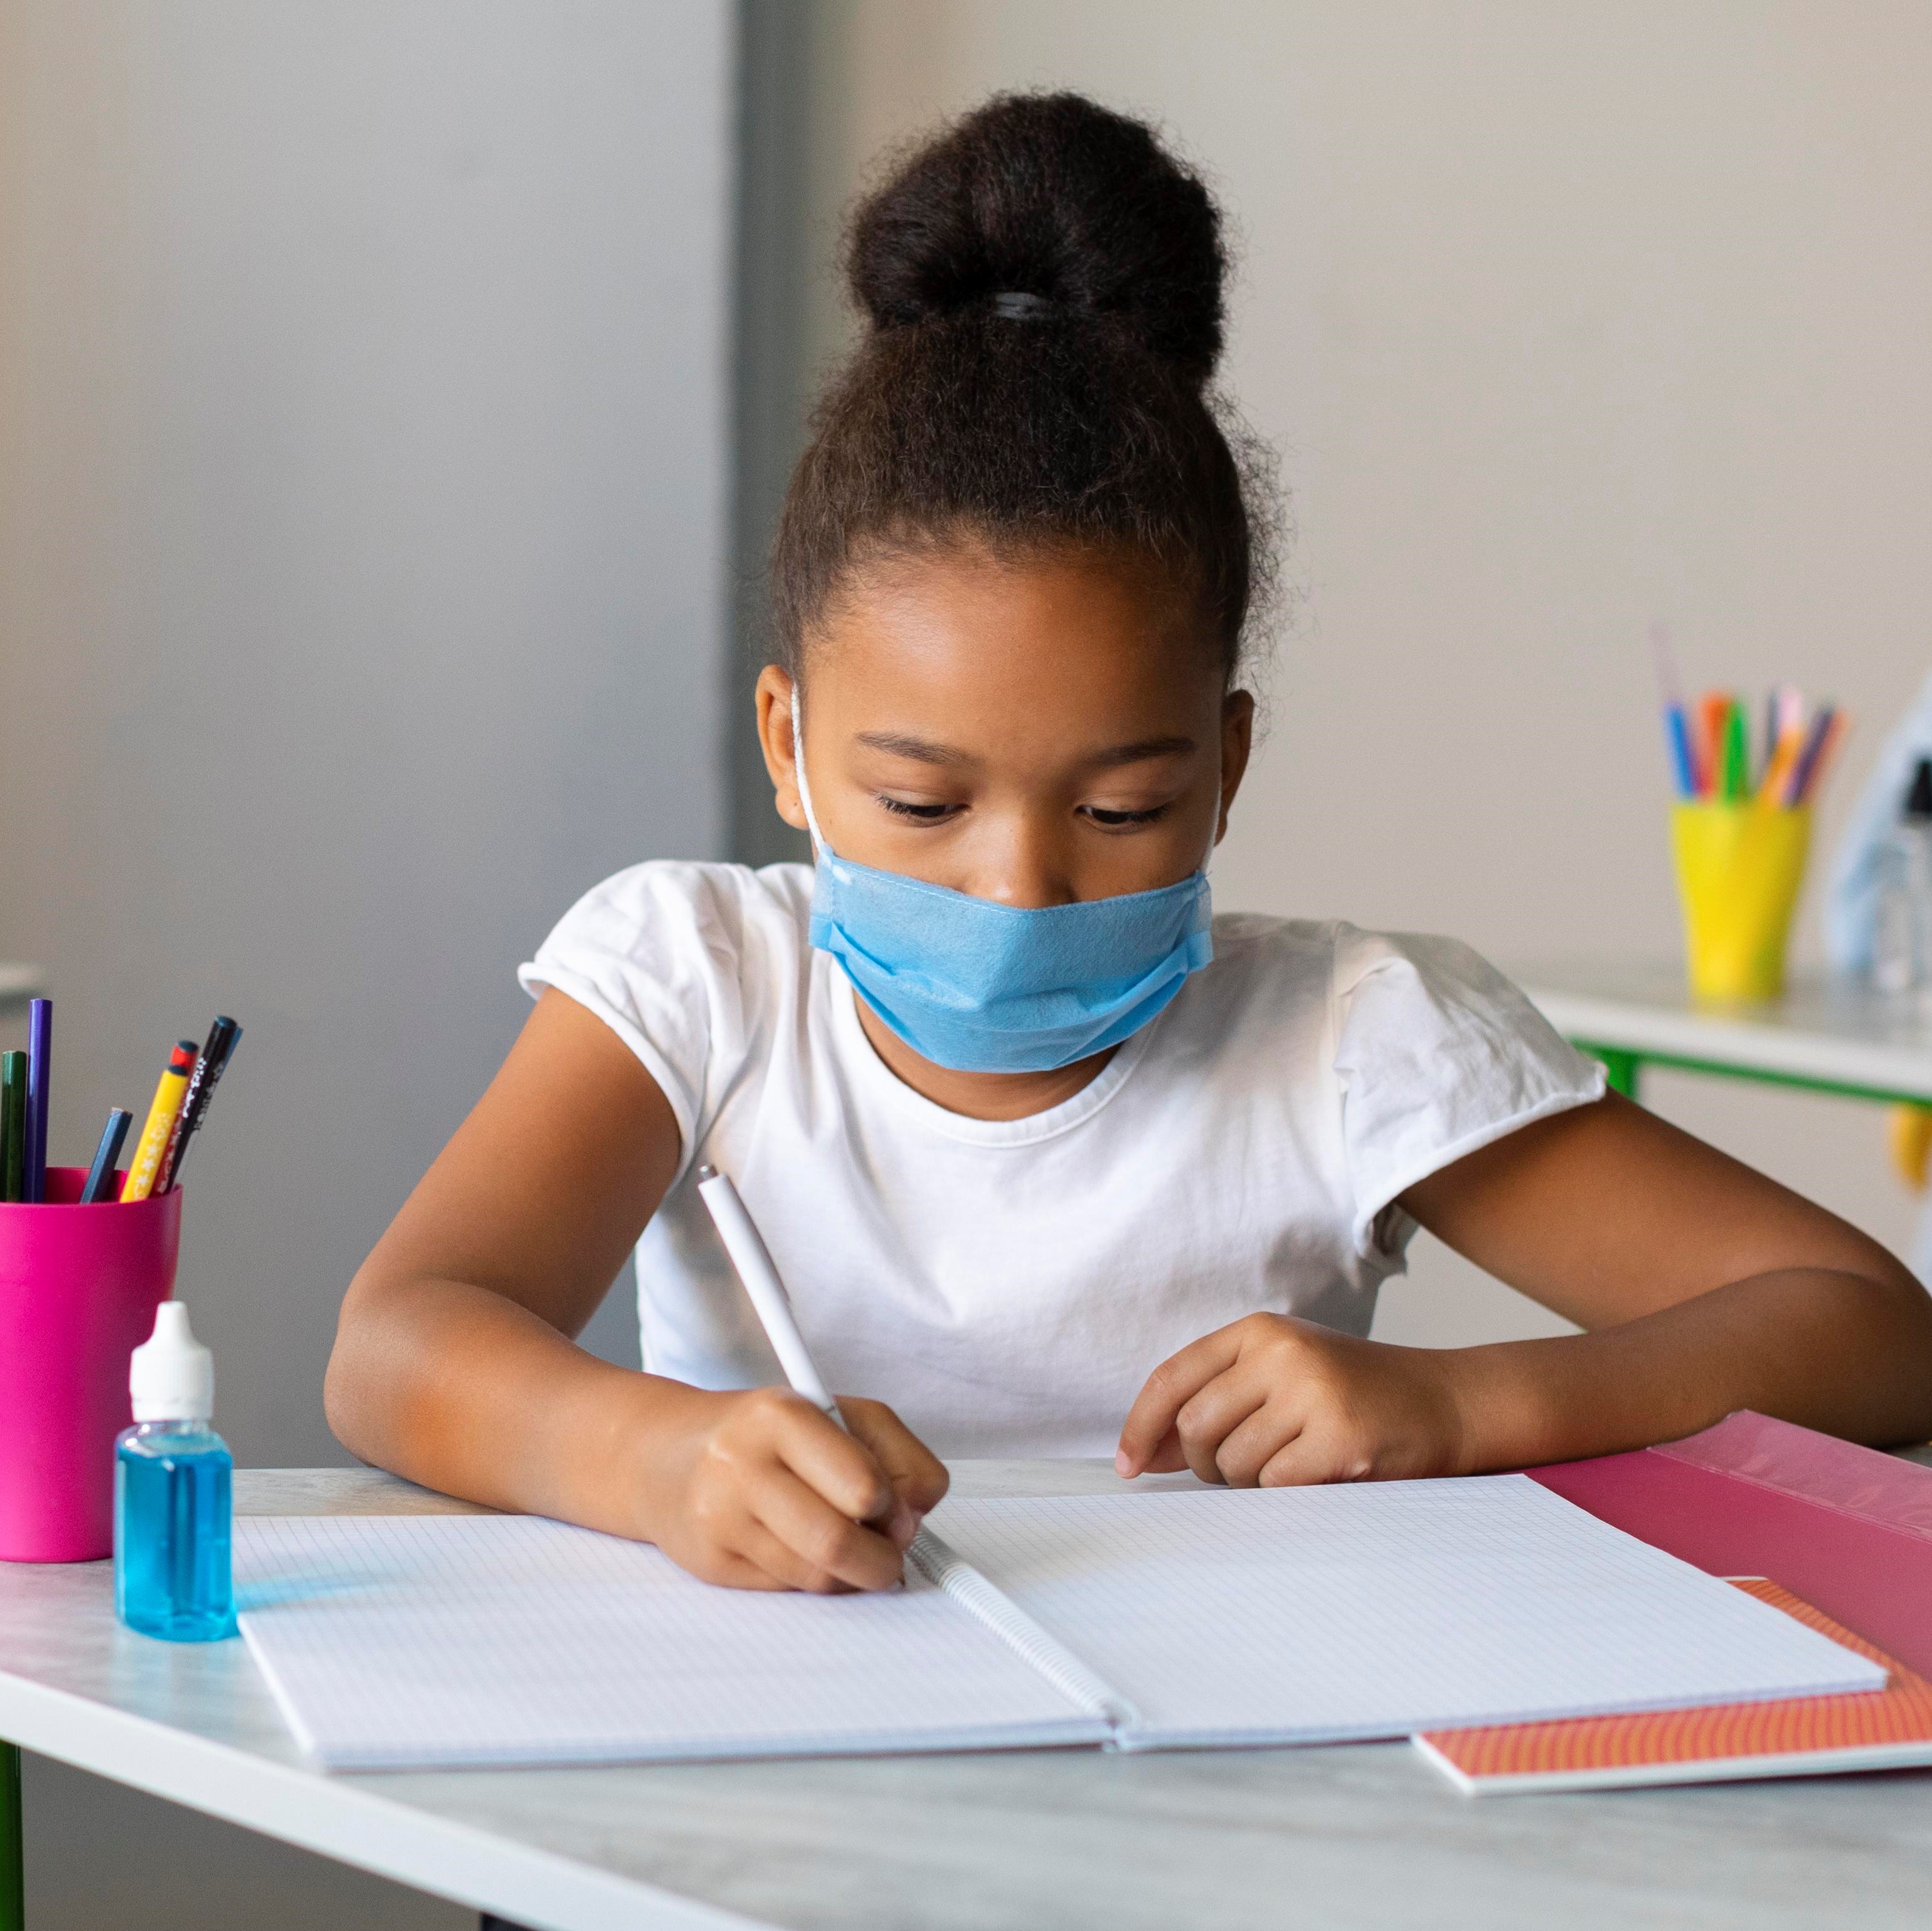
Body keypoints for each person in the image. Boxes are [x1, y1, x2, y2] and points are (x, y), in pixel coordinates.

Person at [326, 92, 1932, 1595]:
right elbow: (399, 1345)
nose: (1019, 886)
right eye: (921, 803)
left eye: (1119, 811)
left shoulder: (1354, 1042)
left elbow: (1873, 1333)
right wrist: (652, 1459)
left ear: (1225, 768)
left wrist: (1459, 1405)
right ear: (788, 747)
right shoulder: (696, 981)